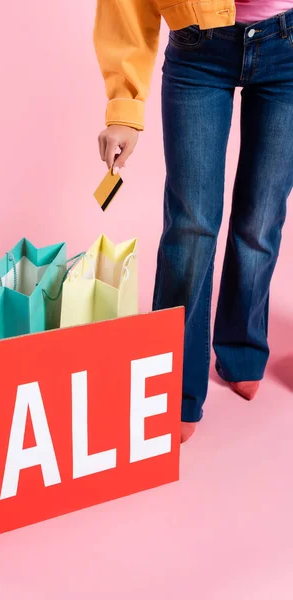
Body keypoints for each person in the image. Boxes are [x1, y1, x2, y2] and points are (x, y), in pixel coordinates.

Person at [94, 0, 293, 442]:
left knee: (261, 218)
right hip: (198, 47)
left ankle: (242, 348)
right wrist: (125, 105)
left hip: (288, 44)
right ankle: (173, 383)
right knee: (191, 226)